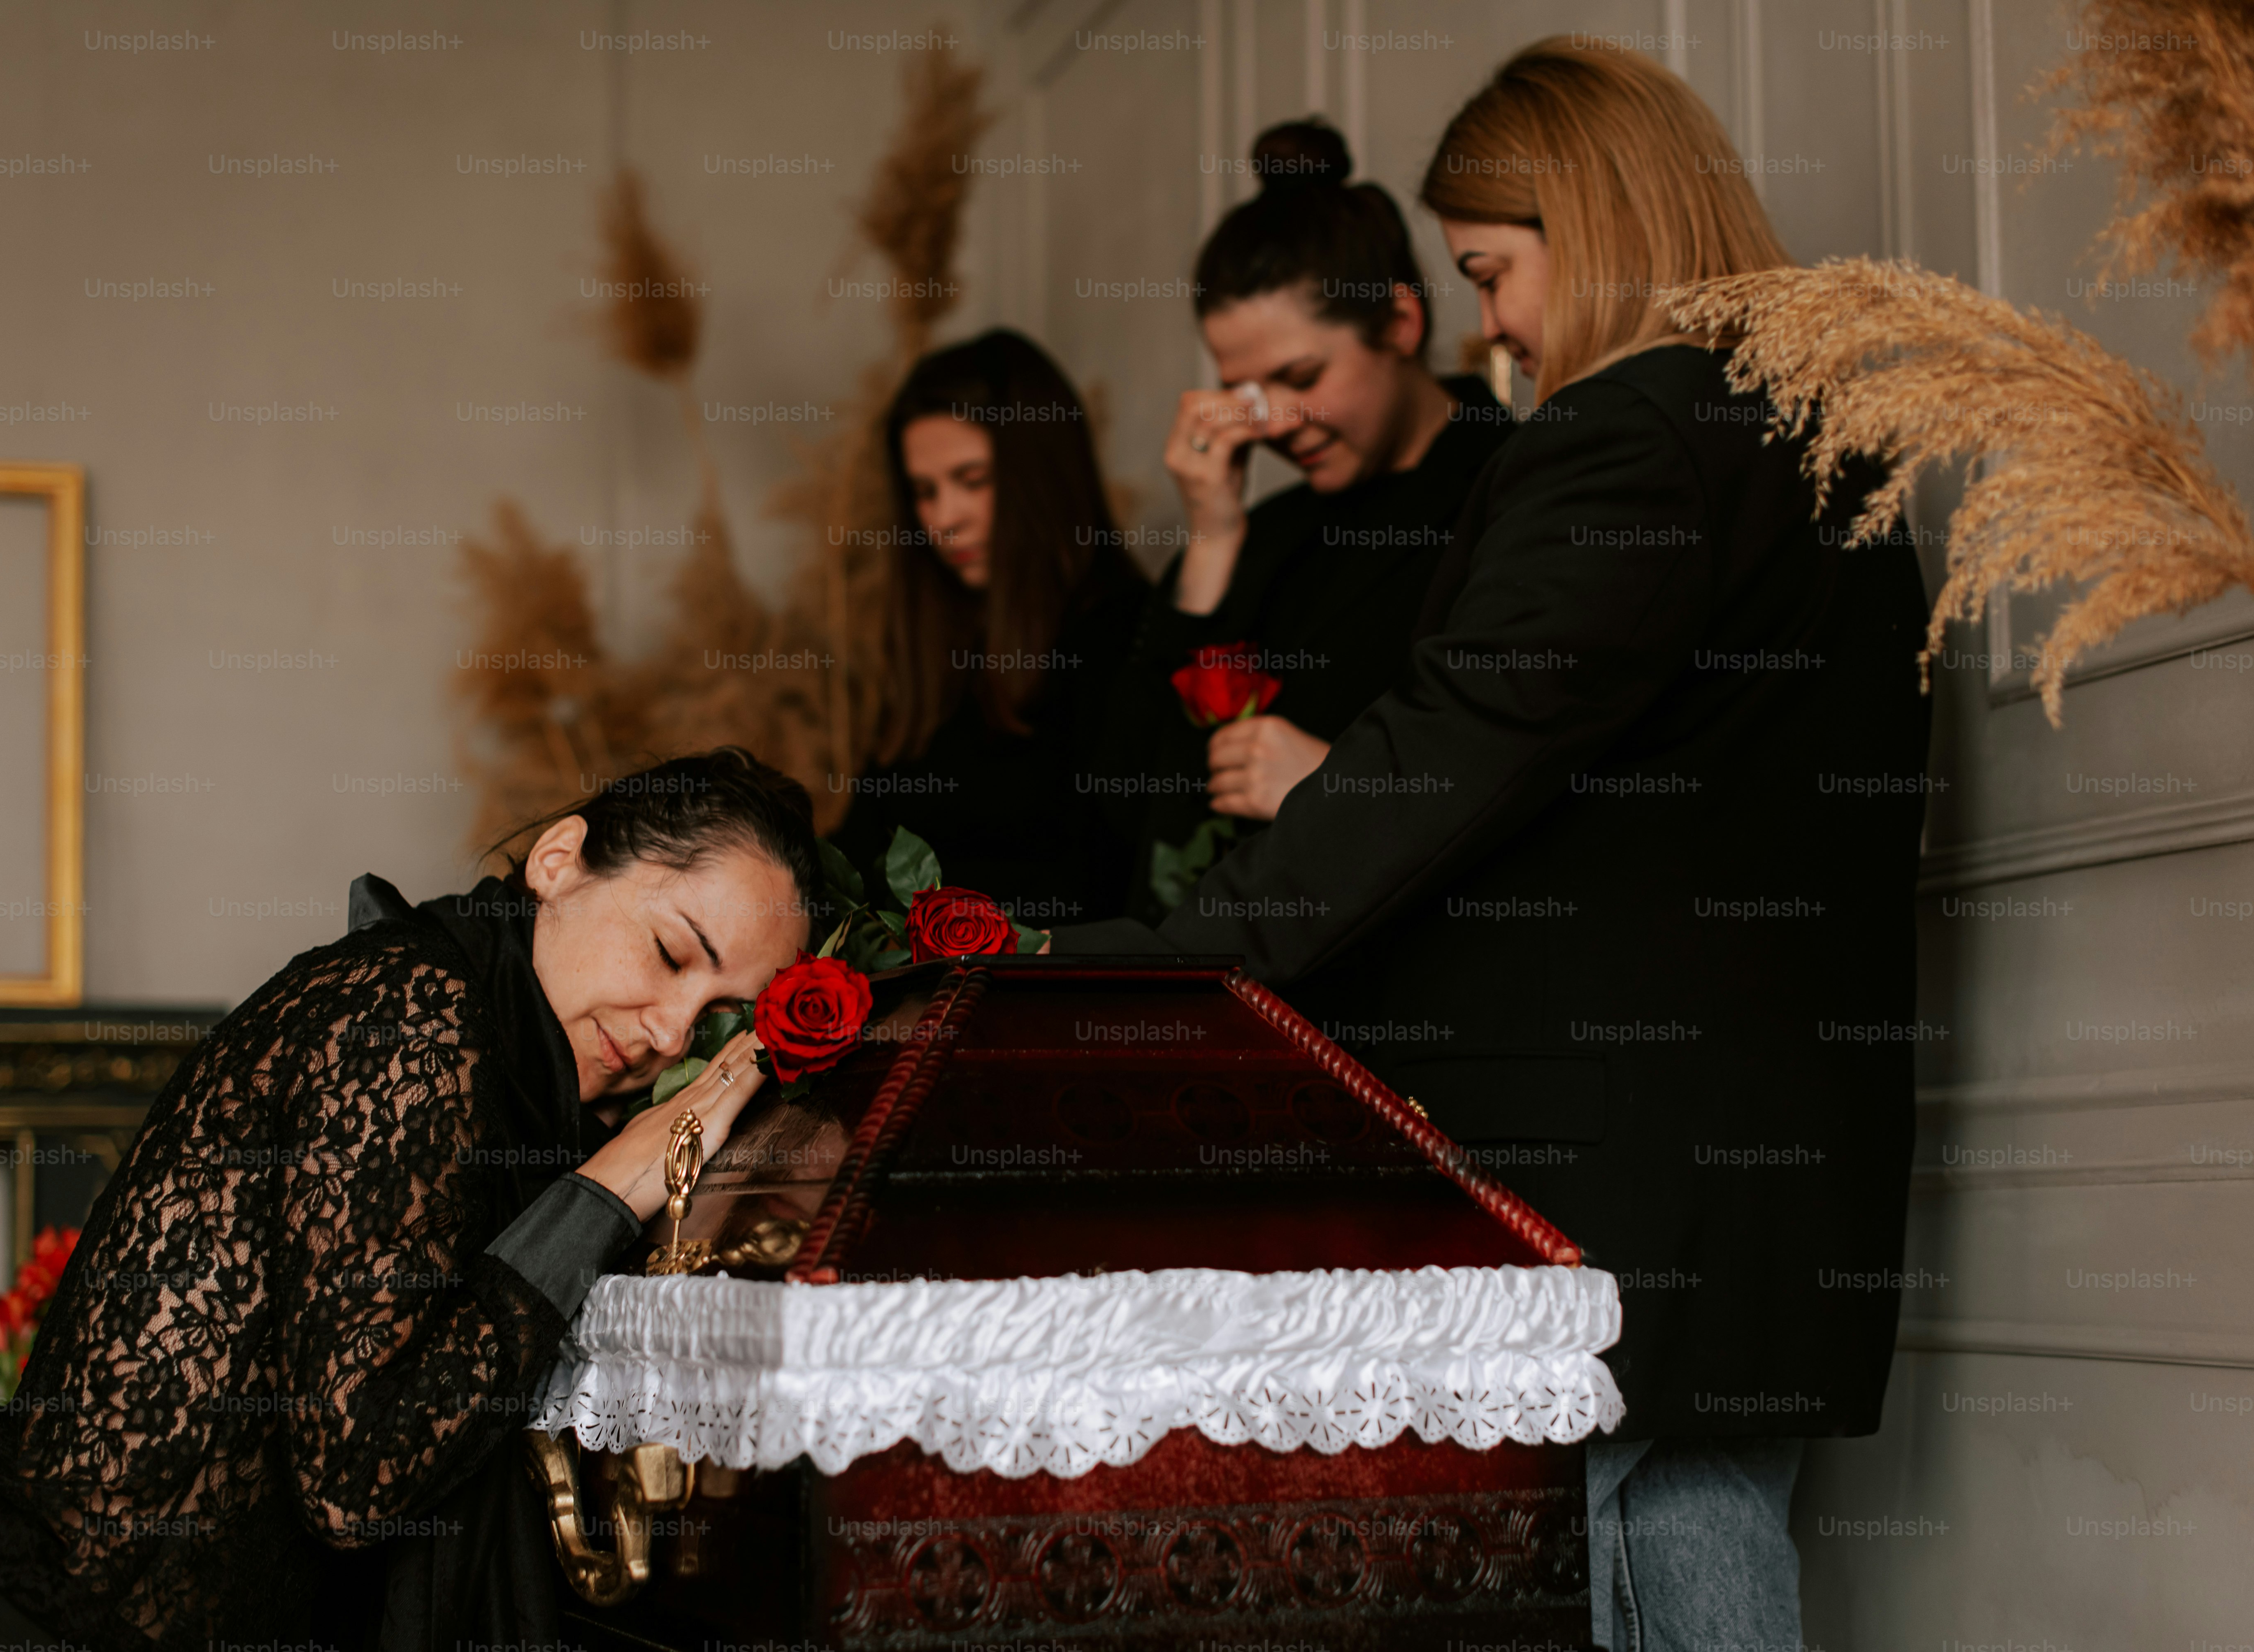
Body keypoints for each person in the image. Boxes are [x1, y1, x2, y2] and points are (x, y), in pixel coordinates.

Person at [1055, 41, 1932, 1652]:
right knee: (1705, 1517)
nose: (1494, 325)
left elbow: (1429, 775)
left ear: (1588, 222)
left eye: (1493, 273)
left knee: (1592, 1562)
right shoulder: (1829, 435)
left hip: (1601, 1172)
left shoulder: (1621, 439)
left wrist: (1085, 973)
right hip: (1776, 1156)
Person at [0, 748, 818, 1650]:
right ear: (559, 862)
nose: (674, 1032)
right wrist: (600, 1194)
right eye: (671, 953)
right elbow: (356, 1481)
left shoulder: (478, 1036)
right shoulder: (414, 1019)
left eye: (720, 1013)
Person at [1085, 117, 1513, 923]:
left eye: (1300, 376)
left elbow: (1524, 794)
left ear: (1399, 322)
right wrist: (1210, 541)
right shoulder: (1258, 536)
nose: (1276, 422)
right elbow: (1126, 803)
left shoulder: (1511, 494)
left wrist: (1335, 789)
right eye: (1246, 393)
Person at [826, 329, 1145, 926]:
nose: (943, 519)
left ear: (1040, 476)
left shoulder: (1124, 637)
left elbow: (1105, 883)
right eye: (924, 492)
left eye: (973, 481)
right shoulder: (936, 643)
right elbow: (860, 848)